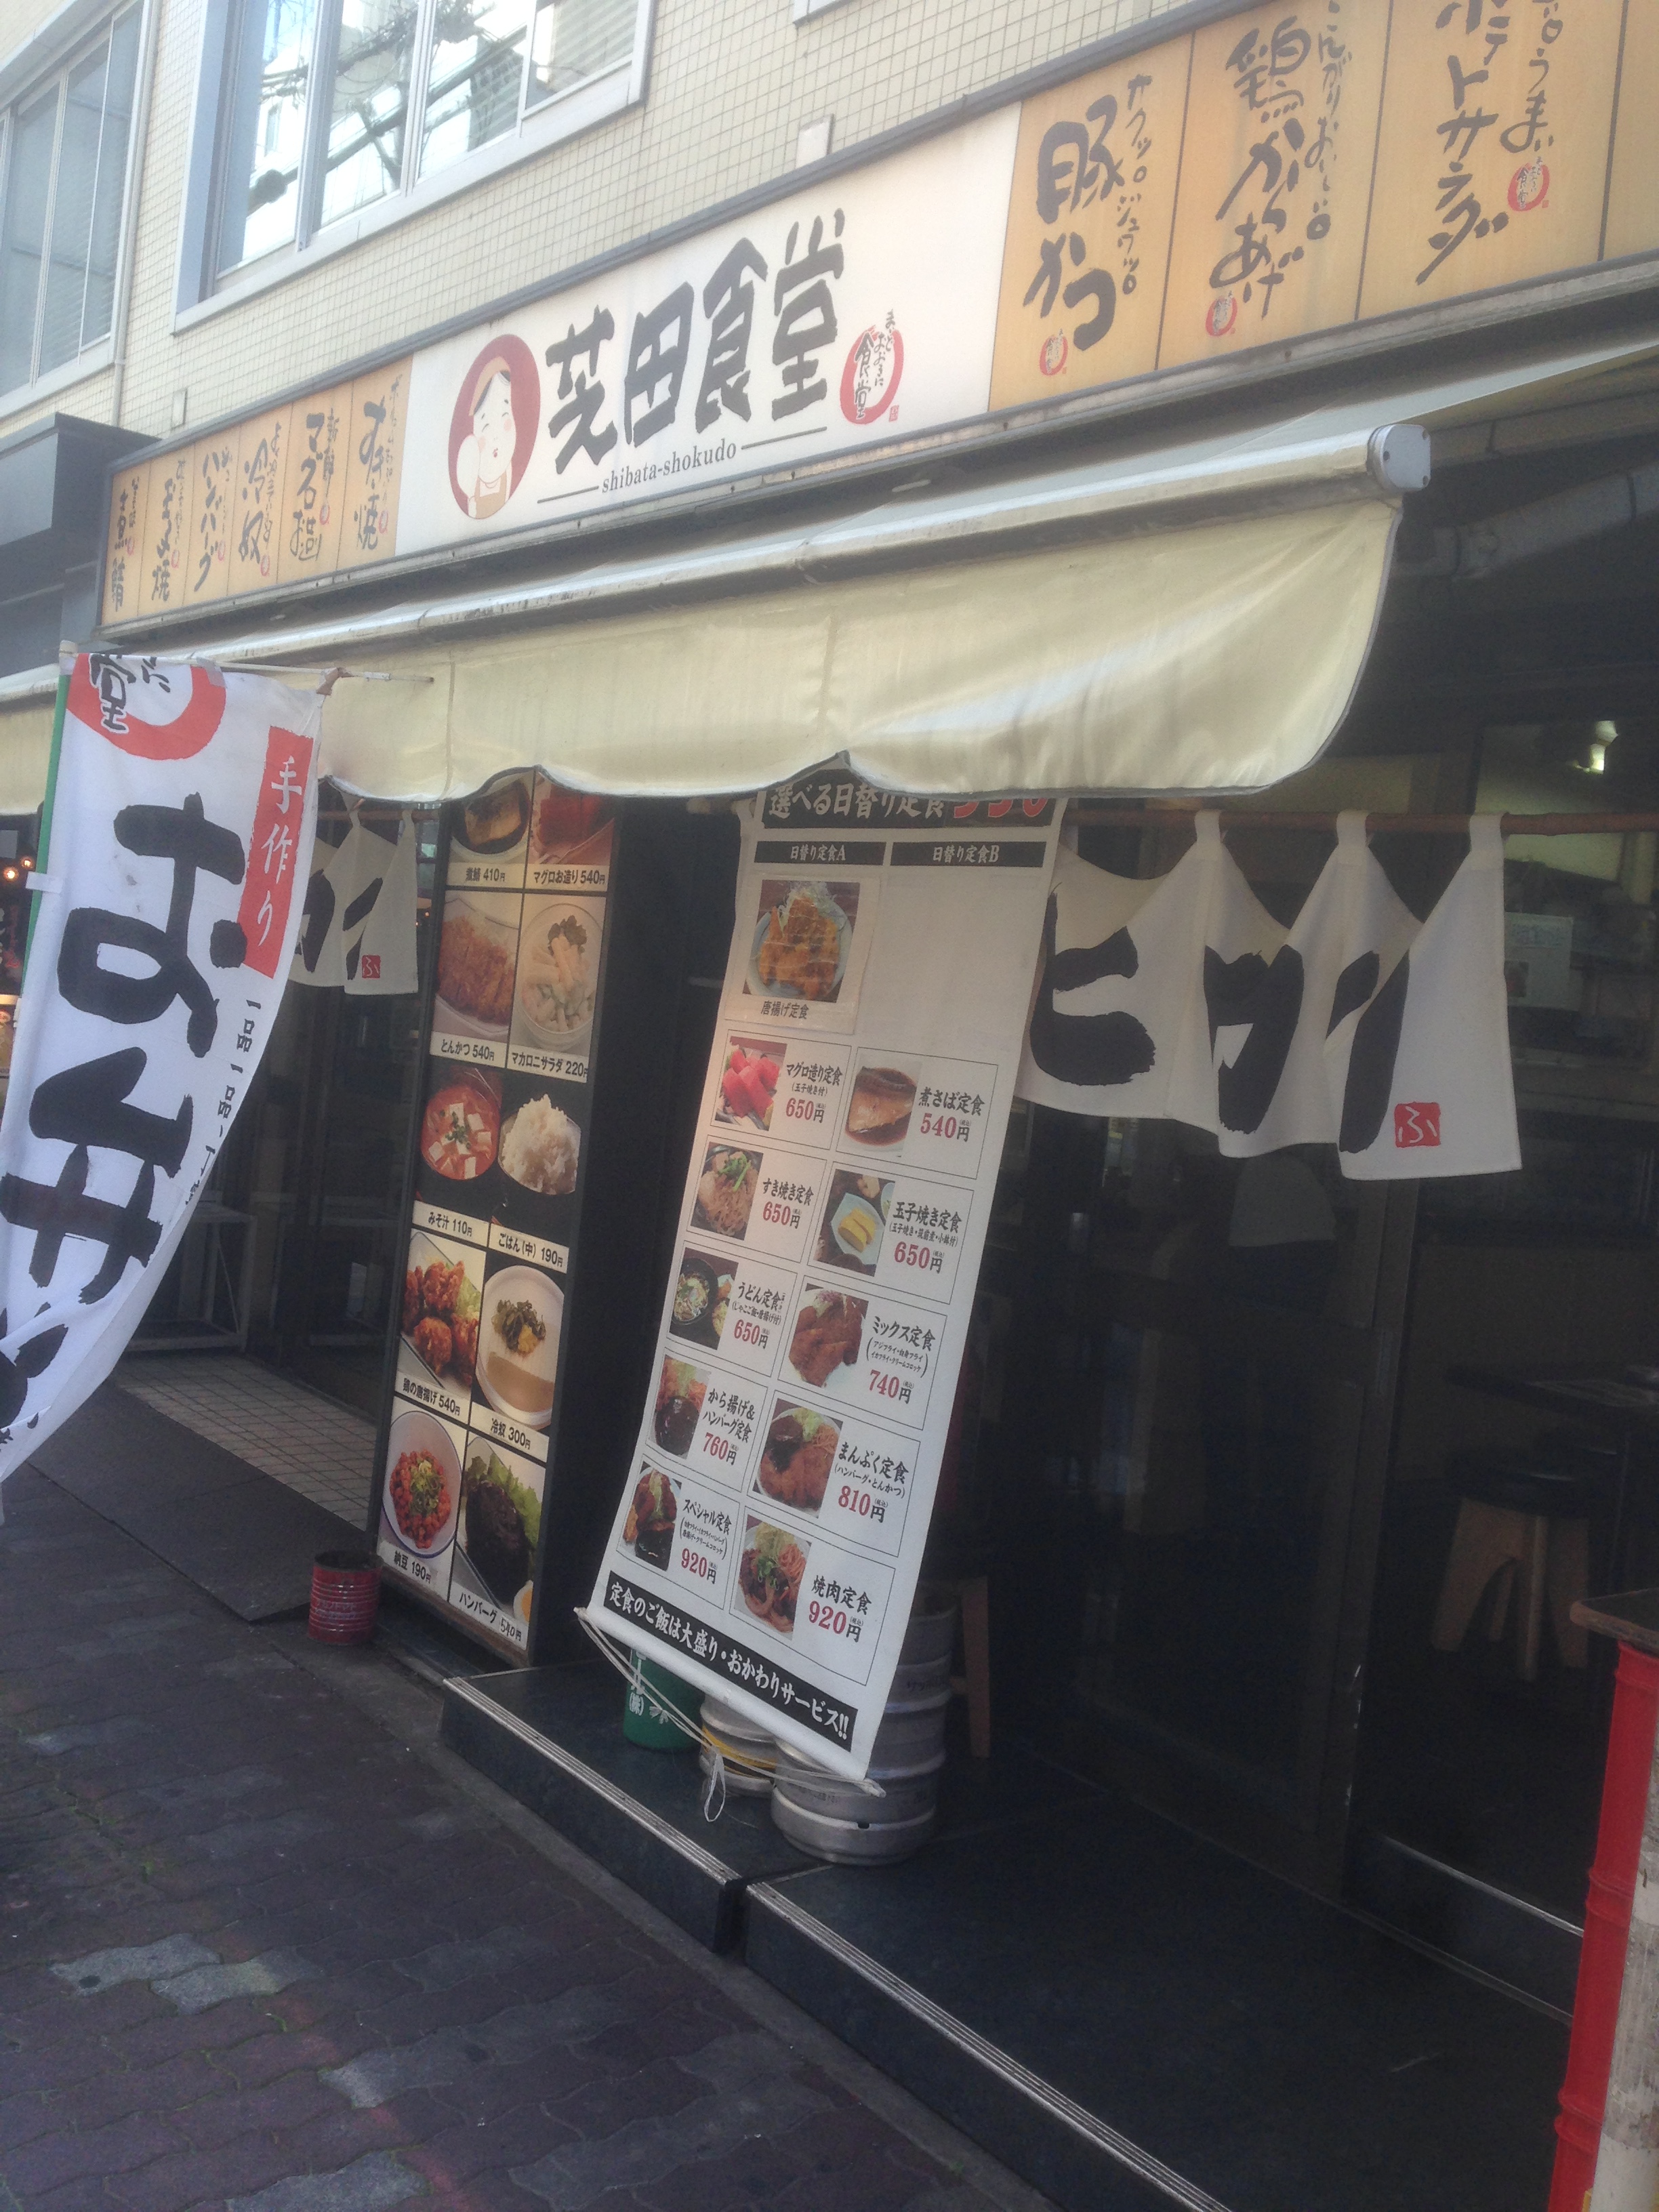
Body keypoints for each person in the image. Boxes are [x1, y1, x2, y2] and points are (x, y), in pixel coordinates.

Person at [456, 359, 516, 518]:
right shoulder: (472, 478)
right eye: (486, 427)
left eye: (504, 416)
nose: (495, 437)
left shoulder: (506, 468)